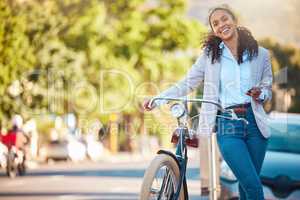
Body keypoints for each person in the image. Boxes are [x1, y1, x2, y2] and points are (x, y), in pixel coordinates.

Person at [143, 5, 272, 200]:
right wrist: (158, 99)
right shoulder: (210, 57)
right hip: (228, 124)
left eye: (224, 19)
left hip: (256, 124)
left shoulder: (261, 55)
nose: (221, 25)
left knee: (247, 185)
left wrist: (260, 93)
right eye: (215, 23)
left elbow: (267, 88)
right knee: (253, 186)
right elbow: (187, 83)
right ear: (213, 31)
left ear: (234, 20)